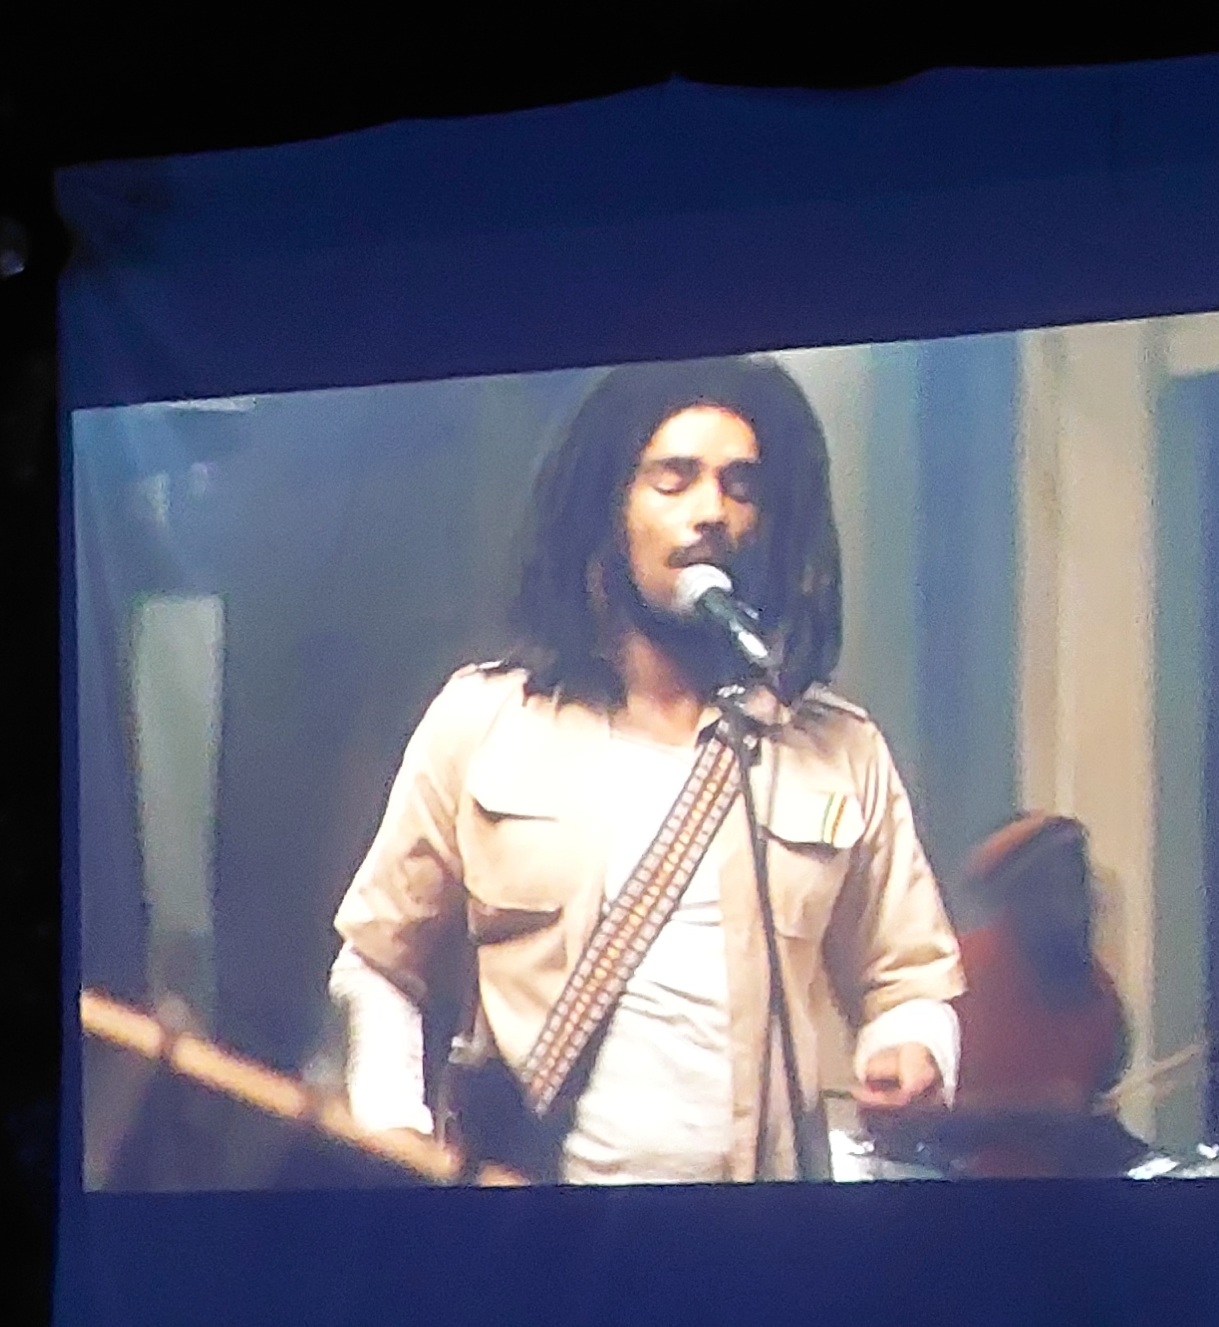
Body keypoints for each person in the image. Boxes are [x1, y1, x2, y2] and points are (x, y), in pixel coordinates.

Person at [326, 358, 961, 1182]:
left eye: (740, 486)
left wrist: (913, 1046)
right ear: (610, 509)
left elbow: (908, 980)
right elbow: (380, 961)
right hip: (535, 1222)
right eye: (674, 479)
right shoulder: (482, 721)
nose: (712, 511)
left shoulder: (839, 748)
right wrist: (396, 1133)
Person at [936, 812, 1133, 1178]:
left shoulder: (1094, 985)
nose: (1067, 901)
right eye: (1047, 885)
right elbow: (912, 1123)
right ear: (1015, 895)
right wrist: (1027, 1112)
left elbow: (1104, 1079)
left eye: (1075, 882)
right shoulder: (953, 974)